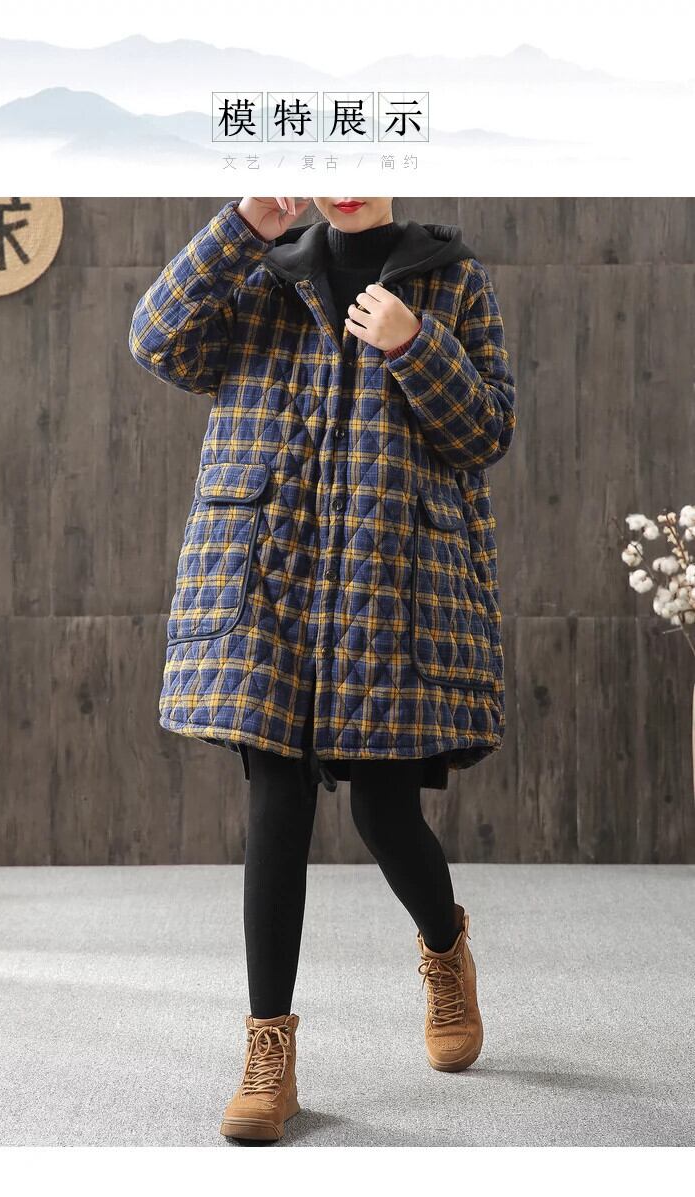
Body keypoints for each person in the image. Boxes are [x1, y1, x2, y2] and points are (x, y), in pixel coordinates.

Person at [128, 196, 517, 1142]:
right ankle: (268, 1050)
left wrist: (415, 344)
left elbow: (486, 431)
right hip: (270, 569)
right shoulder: (260, 271)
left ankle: (444, 947)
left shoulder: (452, 277)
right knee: (277, 800)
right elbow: (156, 339)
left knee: (384, 812)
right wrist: (239, 228)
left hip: (390, 577)